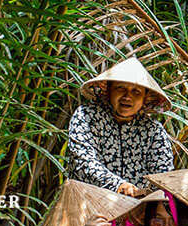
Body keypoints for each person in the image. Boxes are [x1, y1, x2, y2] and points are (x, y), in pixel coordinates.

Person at [66, 57, 174, 197]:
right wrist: (118, 186)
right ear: (108, 90)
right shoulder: (87, 116)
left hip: (135, 210)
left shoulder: (153, 131)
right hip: (88, 205)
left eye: (136, 92)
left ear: (145, 99)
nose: (127, 97)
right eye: (121, 88)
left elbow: (163, 176)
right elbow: (82, 161)